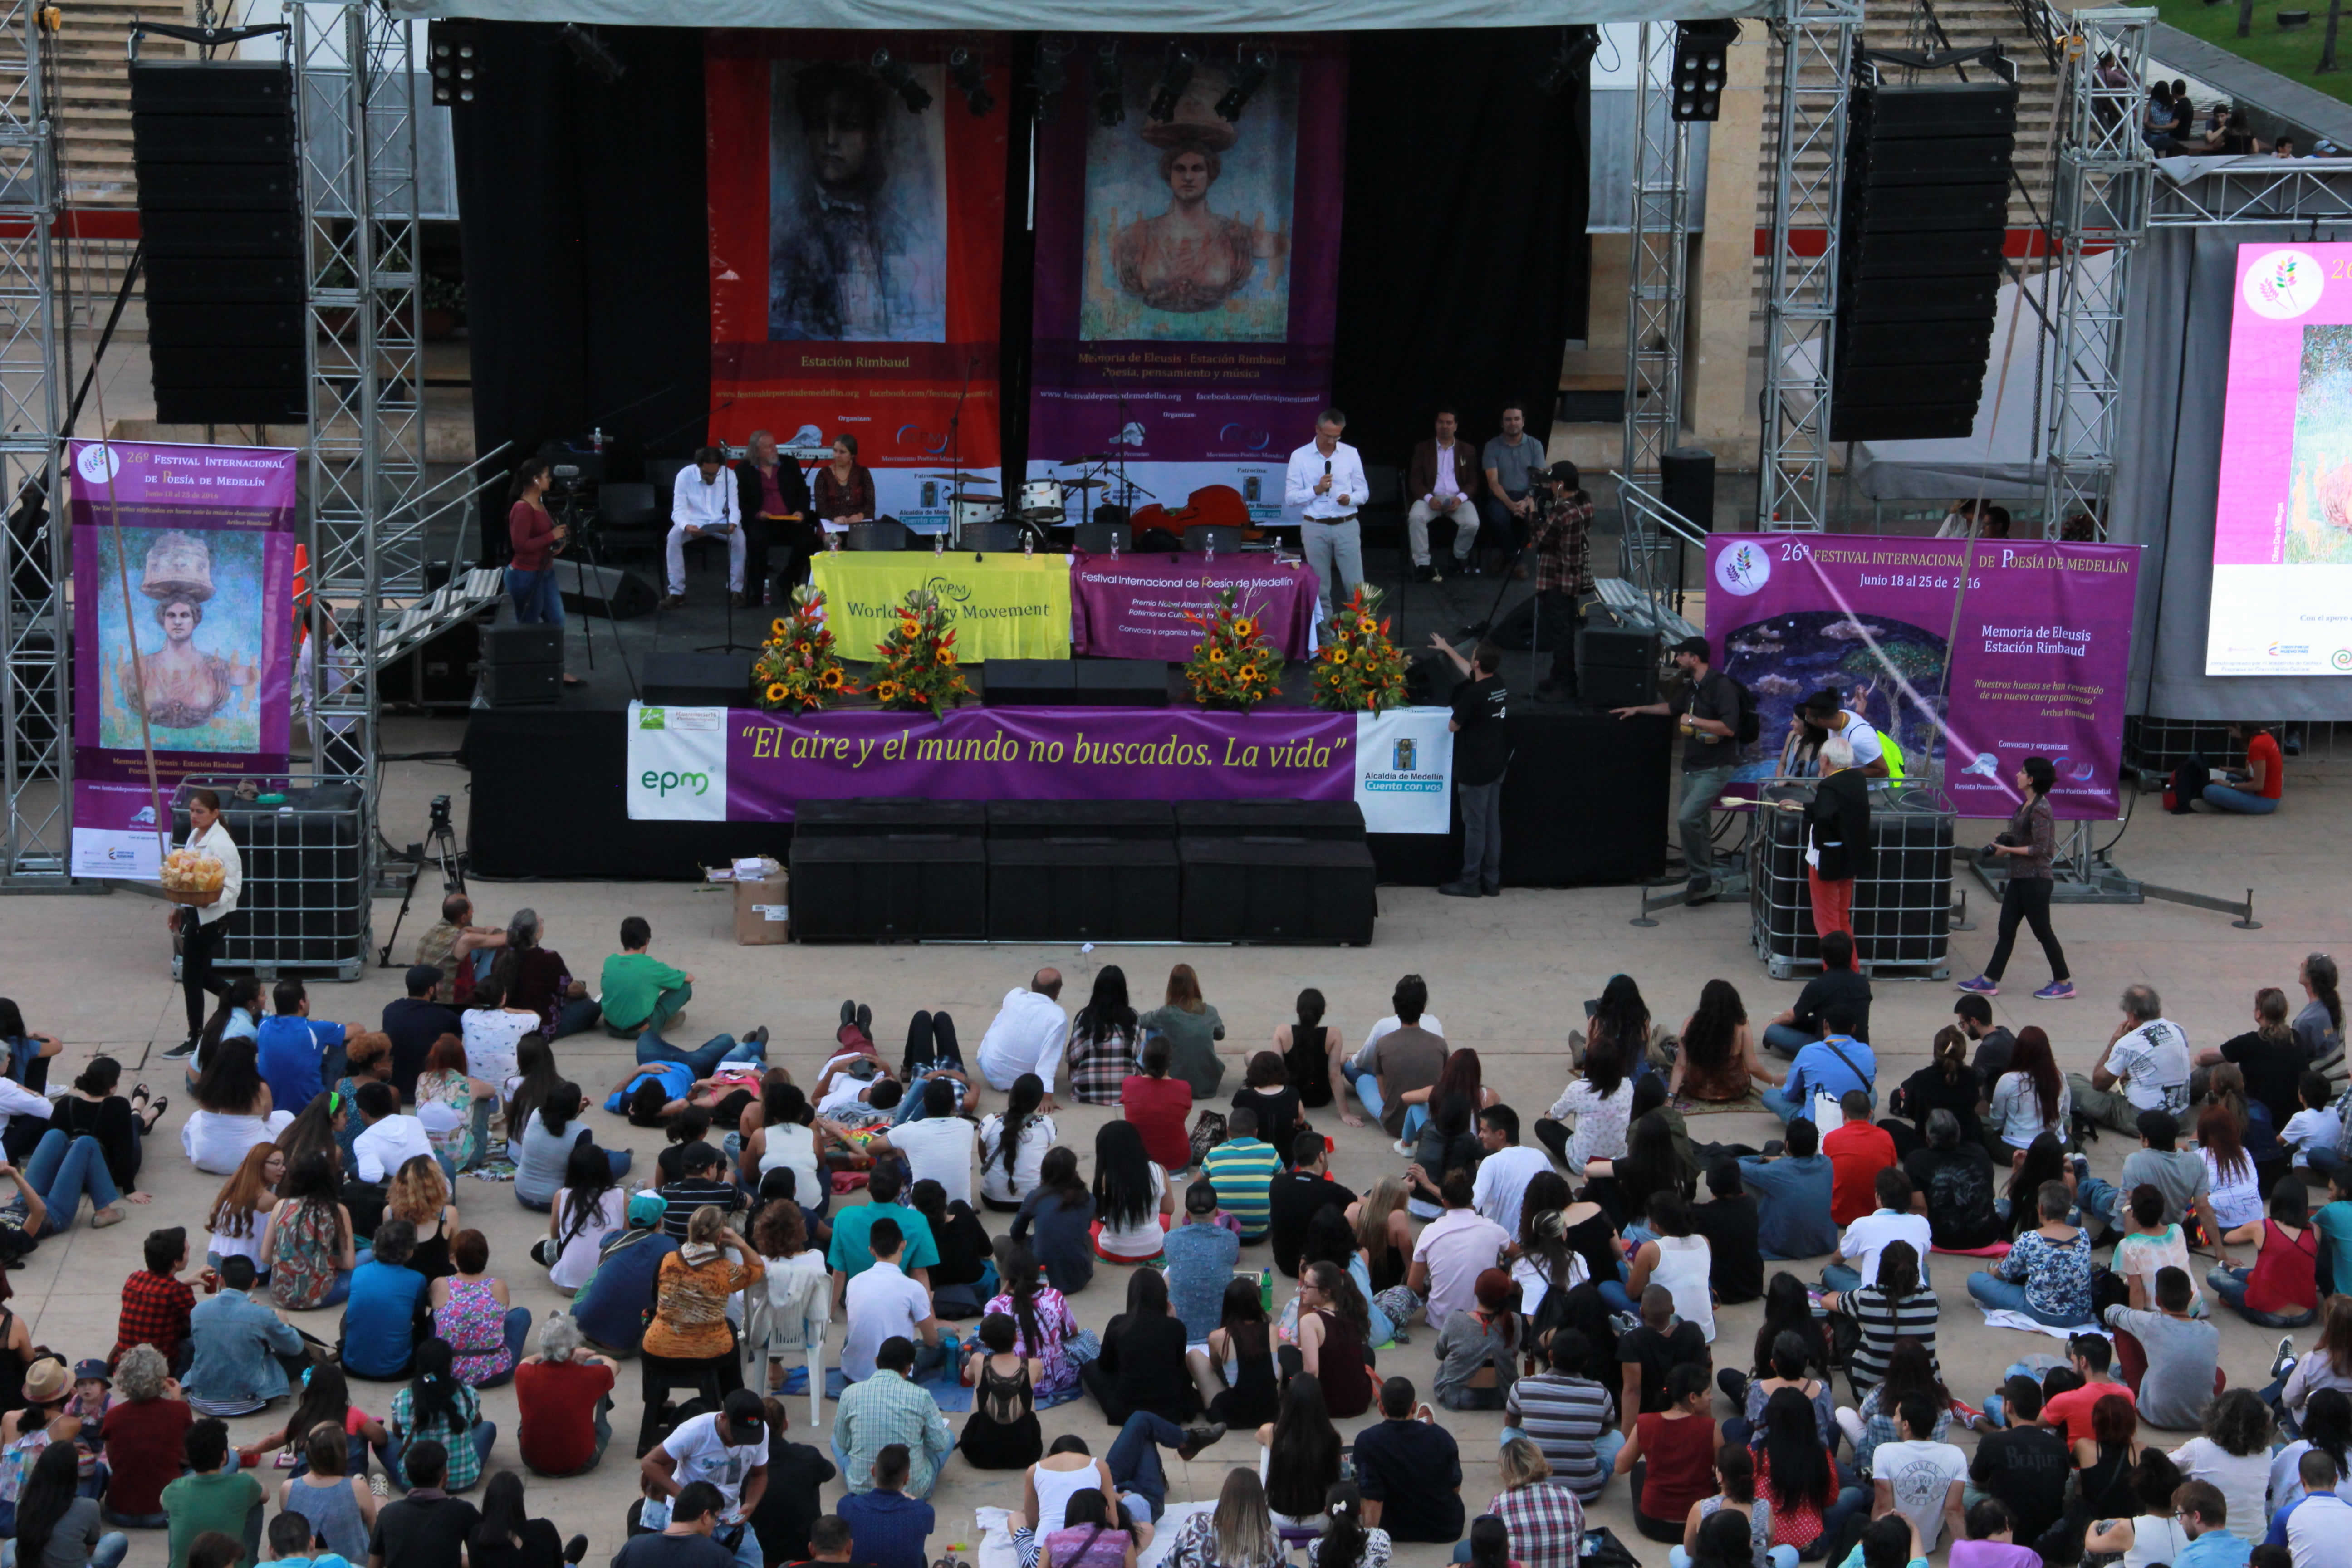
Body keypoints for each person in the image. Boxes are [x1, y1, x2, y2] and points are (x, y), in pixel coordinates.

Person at [641, 1390, 772, 1568]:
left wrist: (751, 1503)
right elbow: (650, 1463)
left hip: (729, 1517)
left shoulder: (761, 1431)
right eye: (737, 1435)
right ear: (724, 1417)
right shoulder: (694, 1431)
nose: (740, 1443)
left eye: (748, 1438)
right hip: (691, 1519)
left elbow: (760, 1474)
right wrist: (683, 1496)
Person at [163, 790, 243, 1060]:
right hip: (194, 914)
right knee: (199, 974)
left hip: (213, 918)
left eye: (200, 812)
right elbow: (186, 877)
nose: (194, 816)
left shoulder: (222, 844)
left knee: (192, 977)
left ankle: (195, 1037)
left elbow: (233, 886)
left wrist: (207, 903)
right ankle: (242, 1001)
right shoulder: (194, 836)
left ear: (215, 813)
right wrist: (178, 907)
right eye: (192, 811)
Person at [1425, 636, 1507, 898]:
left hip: (1476, 769)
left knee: (1475, 827)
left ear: (1478, 662)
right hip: (1497, 764)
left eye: (1473, 657)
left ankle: (1470, 880)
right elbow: (1471, 672)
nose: (1470, 660)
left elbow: (1453, 725)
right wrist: (1449, 649)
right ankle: (1491, 880)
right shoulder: (1498, 684)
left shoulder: (1473, 694)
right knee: (1492, 823)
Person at [832, 1338, 954, 1502]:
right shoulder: (921, 1395)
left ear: (876, 1361)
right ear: (909, 1368)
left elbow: (843, 1443)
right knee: (949, 1436)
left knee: (835, 1439)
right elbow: (939, 1444)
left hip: (862, 1489)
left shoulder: (850, 1393)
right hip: (912, 1490)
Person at [183, 1255, 305, 1417]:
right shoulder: (262, 1315)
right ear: (254, 1283)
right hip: (248, 1403)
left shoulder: (198, 1311)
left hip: (201, 1400)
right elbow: (295, 1347)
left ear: (221, 1280)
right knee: (301, 1355)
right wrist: (284, 1323)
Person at [1350, 1378, 1464, 1541]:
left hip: (1390, 1529)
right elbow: (1456, 1487)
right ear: (1414, 1407)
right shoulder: (1442, 1438)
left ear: (1381, 1407)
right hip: (1444, 1528)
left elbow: (1370, 1492)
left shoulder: (1366, 1441)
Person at [1283, 409, 1367, 628]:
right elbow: (1291, 498)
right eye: (1327, 435)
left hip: (1346, 525)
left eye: (1337, 436)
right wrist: (1316, 489)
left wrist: (1351, 499)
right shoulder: (1299, 456)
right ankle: (1326, 643)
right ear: (1317, 429)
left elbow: (1364, 492)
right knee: (1320, 589)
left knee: (1356, 587)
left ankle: (1359, 641)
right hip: (1315, 527)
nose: (1332, 441)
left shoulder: (1351, 454)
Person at [2071, 985, 2192, 1135]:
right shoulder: (2178, 1030)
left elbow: (2099, 1084)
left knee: (2082, 1090)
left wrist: (2114, 1042)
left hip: (2141, 1119)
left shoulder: (2127, 1042)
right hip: (2179, 1119)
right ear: (2158, 1010)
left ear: (2132, 1015)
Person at [1083, 1270, 1196, 1426]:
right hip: (1169, 1411)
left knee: (1090, 1368)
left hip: (1125, 1411)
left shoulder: (1119, 1324)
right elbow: (1179, 1367)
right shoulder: (1176, 1327)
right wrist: (1172, 1321)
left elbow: (1105, 1366)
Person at [1407, 1167, 1508, 1332]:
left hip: (1440, 1321)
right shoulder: (1494, 1230)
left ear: (1444, 1202)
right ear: (1472, 1198)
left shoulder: (1429, 1232)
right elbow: (1521, 1256)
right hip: (1481, 1319)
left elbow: (1413, 1285)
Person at [2211, 1176, 2318, 1326]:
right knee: (2274, 1270)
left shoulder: (2260, 1227)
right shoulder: (2315, 1230)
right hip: (2305, 1316)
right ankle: (2237, 1273)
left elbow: (2228, 1238)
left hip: (2268, 1315)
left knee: (2214, 1274)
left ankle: (2233, 1278)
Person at [842, 1220, 939, 1384]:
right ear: (903, 1245)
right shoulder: (913, 1288)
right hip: (896, 1377)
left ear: (872, 1250)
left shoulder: (854, 1282)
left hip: (852, 1375)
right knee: (945, 1338)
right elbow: (931, 1340)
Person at [1869, 1395, 1968, 1555]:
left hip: (1894, 1544)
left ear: (1906, 1424)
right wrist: (1970, 1556)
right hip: (1928, 1545)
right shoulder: (1955, 1455)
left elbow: (1883, 1507)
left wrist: (1875, 1548)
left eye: (1896, 1415)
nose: (1894, 1419)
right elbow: (1953, 1510)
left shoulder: (1884, 1452)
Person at [2166, 1391, 2270, 1539]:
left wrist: (2182, 1452)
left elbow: (2164, 1466)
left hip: (2210, 1538)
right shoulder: (2267, 1453)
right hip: (2255, 1539)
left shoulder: (2198, 1448)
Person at [161, 1421, 263, 1568]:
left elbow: (162, 1500)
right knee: (256, 1502)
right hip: (228, 1560)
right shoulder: (244, 1484)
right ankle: (249, 1562)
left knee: (175, 1511)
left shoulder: (175, 1488)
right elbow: (264, 1495)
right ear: (224, 1456)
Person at [1760, 930, 1874, 1059]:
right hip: (1859, 1045)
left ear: (1824, 958)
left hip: (1828, 1049)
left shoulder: (1818, 985)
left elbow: (1792, 1016)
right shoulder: (1863, 983)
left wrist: (1772, 1023)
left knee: (1773, 1031)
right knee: (1812, 1019)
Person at [1757, 1001, 1874, 1126]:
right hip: (1851, 1117)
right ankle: (1861, 1120)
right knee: (1872, 1094)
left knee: (1770, 1096)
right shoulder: (1867, 1052)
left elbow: (1789, 1094)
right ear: (1854, 1028)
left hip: (1816, 1123)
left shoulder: (1809, 1051)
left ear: (1825, 1025)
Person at [1823, 1166, 1932, 1295]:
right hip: (1911, 1289)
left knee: (1831, 1272)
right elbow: (1924, 1253)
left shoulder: (1862, 1224)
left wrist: (1831, 1264)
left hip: (1874, 1295)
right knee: (1923, 1268)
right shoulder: (1921, 1223)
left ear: (1878, 1197)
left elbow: (1840, 1256)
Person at [1740, 1119, 1839, 1260]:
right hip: (1825, 1244)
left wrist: (1764, 1158)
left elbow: (1739, 1165)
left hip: (1784, 1247)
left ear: (1787, 1145)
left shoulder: (1777, 1170)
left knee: (1746, 1179)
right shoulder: (1827, 1164)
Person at [736, 430, 813, 603]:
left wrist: (801, 511)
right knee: (756, 541)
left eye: (774, 445)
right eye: (768, 447)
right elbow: (740, 501)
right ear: (756, 451)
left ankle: (787, 580)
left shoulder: (789, 464)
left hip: (789, 520)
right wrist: (757, 513)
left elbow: (803, 493)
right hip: (762, 521)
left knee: (808, 541)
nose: (774, 449)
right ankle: (756, 593)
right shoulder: (743, 470)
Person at [279, 1422, 374, 1563]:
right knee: (374, 1505)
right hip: (351, 1563)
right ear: (343, 1454)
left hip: (304, 1564)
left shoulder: (288, 1488)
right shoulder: (358, 1488)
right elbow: (376, 1533)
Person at [663, 447, 745, 609]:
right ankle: (677, 593)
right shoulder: (685, 475)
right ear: (698, 467)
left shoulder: (730, 475)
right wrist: (687, 527)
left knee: (740, 539)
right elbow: (678, 510)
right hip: (694, 522)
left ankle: (736, 591)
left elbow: (734, 507)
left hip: (721, 521)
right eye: (707, 474)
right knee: (673, 538)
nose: (712, 478)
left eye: (715, 474)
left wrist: (733, 524)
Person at [1405, 411, 1482, 583]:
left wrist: (1460, 498)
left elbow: (1473, 482)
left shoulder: (1467, 450)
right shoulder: (1423, 448)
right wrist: (1428, 498)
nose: (1445, 426)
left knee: (1472, 523)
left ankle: (1458, 557)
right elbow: (1415, 480)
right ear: (1436, 425)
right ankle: (1422, 565)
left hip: (1457, 498)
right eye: (1441, 422)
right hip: (1431, 497)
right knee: (1416, 517)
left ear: (1456, 426)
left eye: (1449, 423)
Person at [1269, 1135, 1355, 1279]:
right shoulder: (1333, 1191)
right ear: (1321, 1157)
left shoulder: (1277, 1184)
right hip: (1318, 1268)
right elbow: (1358, 1203)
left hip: (1285, 1264)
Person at [112, 1226, 197, 1371]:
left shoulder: (134, 1279)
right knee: (196, 1340)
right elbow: (198, 1323)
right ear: (176, 1262)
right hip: (159, 1370)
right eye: (187, 1251)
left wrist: (185, 1282)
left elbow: (159, 1292)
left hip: (126, 1366)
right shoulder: (178, 1291)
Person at [1136, 965, 1225, 1100]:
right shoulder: (1211, 1011)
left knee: (1152, 1029)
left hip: (1174, 1083)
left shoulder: (1167, 1013)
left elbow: (1140, 1021)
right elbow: (1220, 1035)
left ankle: (1154, 1071)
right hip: (1208, 1086)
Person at [600, 918, 696, 1043]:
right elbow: (689, 978)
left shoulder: (610, 962)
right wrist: (664, 983)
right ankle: (663, 1022)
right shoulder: (651, 966)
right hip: (641, 1030)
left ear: (622, 940)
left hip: (611, 1028)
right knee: (685, 988)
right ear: (647, 941)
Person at [975, 972, 1068, 1098]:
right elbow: (1050, 1059)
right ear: (1057, 993)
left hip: (991, 1071)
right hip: (1025, 1083)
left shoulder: (1015, 996)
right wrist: (1046, 1095)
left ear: (1032, 985)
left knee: (1003, 1016)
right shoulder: (1058, 1017)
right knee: (1050, 1045)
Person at [1478, 404, 1546, 570]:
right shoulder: (1492, 446)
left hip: (1528, 496)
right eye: (1508, 420)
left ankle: (1508, 557)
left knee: (1533, 517)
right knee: (1498, 517)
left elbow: (1538, 480)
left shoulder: (1535, 445)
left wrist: (1525, 502)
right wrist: (1511, 505)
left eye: (1517, 419)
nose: (1513, 423)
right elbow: (1493, 482)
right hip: (1502, 496)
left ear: (1523, 422)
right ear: (1502, 423)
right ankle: (1516, 559)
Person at [1674, 982, 1764, 1106]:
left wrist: (1670, 1096)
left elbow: (1680, 1066)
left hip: (1697, 1090)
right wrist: (1773, 1080)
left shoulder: (1691, 1024)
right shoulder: (1742, 1026)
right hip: (1734, 1091)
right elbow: (1752, 1067)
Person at [1200, 1108, 1278, 1242]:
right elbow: (1285, 1179)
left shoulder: (1215, 1153)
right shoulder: (1269, 1151)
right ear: (1256, 1132)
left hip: (1223, 1231)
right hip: (1260, 1233)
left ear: (1228, 1131)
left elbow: (1197, 1184)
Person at [1064, 970, 1139, 1108]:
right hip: (1126, 1094)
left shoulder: (1084, 1018)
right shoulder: (1132, 1018)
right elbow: (1136, 1054)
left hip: (1086, 1094)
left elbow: (1072, 1058)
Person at [614, 1480, 730, 1568]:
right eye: (716, 1518)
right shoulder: (718, 1557)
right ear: (705, 1516)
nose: (715, 1524)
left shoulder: (634, 1547)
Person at [1824, 1093, 1897, 1228]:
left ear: (1844, 1114)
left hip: (1839, 1215)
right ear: (1870, 1113)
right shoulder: (1886, 1137)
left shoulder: (1831, 1138)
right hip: (1875, 1214)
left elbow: (1827, 1174)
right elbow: (1892, 1170)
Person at [808, 435, 876, 542]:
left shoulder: (863, 473)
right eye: (835, 451)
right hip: (832, 525)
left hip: (858, 525)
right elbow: (821, 508)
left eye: (842, 452)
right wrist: (834, 518)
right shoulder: (824, 474)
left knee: (863, 541)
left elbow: (871, 505)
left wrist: (860, 516)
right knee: (832, 541)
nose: (837, 455)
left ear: (852, 455)